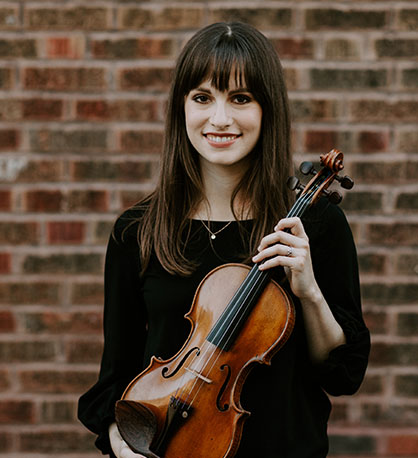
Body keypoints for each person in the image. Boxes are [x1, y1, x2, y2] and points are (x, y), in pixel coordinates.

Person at [78, 21, 370, 458]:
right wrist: (122, 445)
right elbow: (115, 379)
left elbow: (342, 375)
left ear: (267, 109)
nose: (219, 119)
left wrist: (308, 291)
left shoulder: (313, 224)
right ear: (181, 108)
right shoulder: (137, 230)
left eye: (240, 98)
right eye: (202, 98)